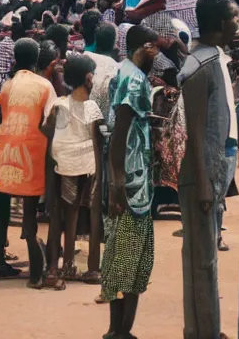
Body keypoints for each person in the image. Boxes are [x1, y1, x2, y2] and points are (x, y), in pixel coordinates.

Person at [177, 0, 239, 339]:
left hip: (215, 165)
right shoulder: (200, 66)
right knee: (202, 259)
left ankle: (208, 328)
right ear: (220, 24)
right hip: (200, 172)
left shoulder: (215, 59)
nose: (238, 24)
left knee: (207, 257)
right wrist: (204, 183)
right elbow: (196, 131)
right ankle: (202, 331)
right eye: (234, 18)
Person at [0, 38, 57, 287]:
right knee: (29, 217)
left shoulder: (8, 85)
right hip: (31, 153)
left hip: (7, 152)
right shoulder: (44, 85)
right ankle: (35, 274)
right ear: (36, 59)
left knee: (0, 214)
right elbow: (51, 119)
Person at [101, 25, 158, 339]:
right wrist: (118, 183)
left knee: (119, 257)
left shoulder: (124, 71)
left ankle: (116, 330)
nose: (156, 56)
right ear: (143, 46)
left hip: (130, 178)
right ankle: (120, 331)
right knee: (131, 261)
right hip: (132, 183)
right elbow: (121, 130)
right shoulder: (135, 79)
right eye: (154, 49)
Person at [45, 56, 104, 289]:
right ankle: (92, 268)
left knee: (69, 213)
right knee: (92, 213)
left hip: (64, 164)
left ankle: (67, 265)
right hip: (88, 165)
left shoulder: (60, 104)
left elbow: (48, 131)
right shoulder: (92, 107)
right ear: (88, 78)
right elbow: (99, 139)